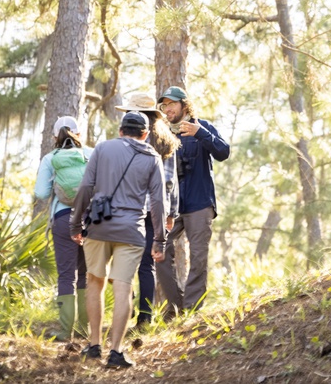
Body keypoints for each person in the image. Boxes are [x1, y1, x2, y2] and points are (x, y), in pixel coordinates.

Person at [69, 111, 168, 369]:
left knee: (94, 282)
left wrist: (75, 223)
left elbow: (85, 187)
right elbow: (157, 202)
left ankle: (93, 346)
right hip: (131, 231)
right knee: (122, 287)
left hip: (99, 227)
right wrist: (160, 240)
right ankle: (116, 351)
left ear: (121, 130)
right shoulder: (152, 158)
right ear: (145, 135)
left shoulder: (103, 148)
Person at [155, 86, 230, 314]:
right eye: (164, 106)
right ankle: (175, 305)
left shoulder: (202, 127)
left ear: (184, 105)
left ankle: (192, 310)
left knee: (198, 258)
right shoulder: (163, 133)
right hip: (172, 208)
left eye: (172, 104)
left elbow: (223, 152)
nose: (168, 110)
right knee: (160, 250)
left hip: (199, 204)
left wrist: (200, 134)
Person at [115, 92, 180, 329]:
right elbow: (171, 181)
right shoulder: (166, 139)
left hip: (130, 208)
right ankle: (145, 318)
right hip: (156, 209)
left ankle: (126, 309)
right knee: (146, 265)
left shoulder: (128, 138)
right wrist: (171, 213)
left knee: (125, 261)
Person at [34, 115, 91, 342]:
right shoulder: (91, 154)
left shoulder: (50, 158)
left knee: (67, 274)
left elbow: (41, 193)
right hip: (91, 219)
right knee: (87, 273)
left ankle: (65, 331)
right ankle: (85, 330)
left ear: (54, 136)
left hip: (63, 218)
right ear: (79, 134)